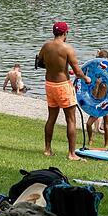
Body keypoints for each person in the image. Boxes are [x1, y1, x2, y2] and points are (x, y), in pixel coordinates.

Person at [37, 22, 91, 160]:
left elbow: (39, 62)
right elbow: (78, 72)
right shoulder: (67, 49)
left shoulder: (46, 46)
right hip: (63, 86)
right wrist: (86, 78)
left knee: (51, 118)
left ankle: (47, 150)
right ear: (65, 33)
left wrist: (54, 67)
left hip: (49, 85)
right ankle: (72, 154)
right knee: (71, 120)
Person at [86, 49, 108, 148]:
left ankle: (106, 145)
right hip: (97, 103)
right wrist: (97, 84)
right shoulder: (96, 75)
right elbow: (94, 94)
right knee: (88, 124)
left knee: (106, 125)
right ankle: (90, 139)